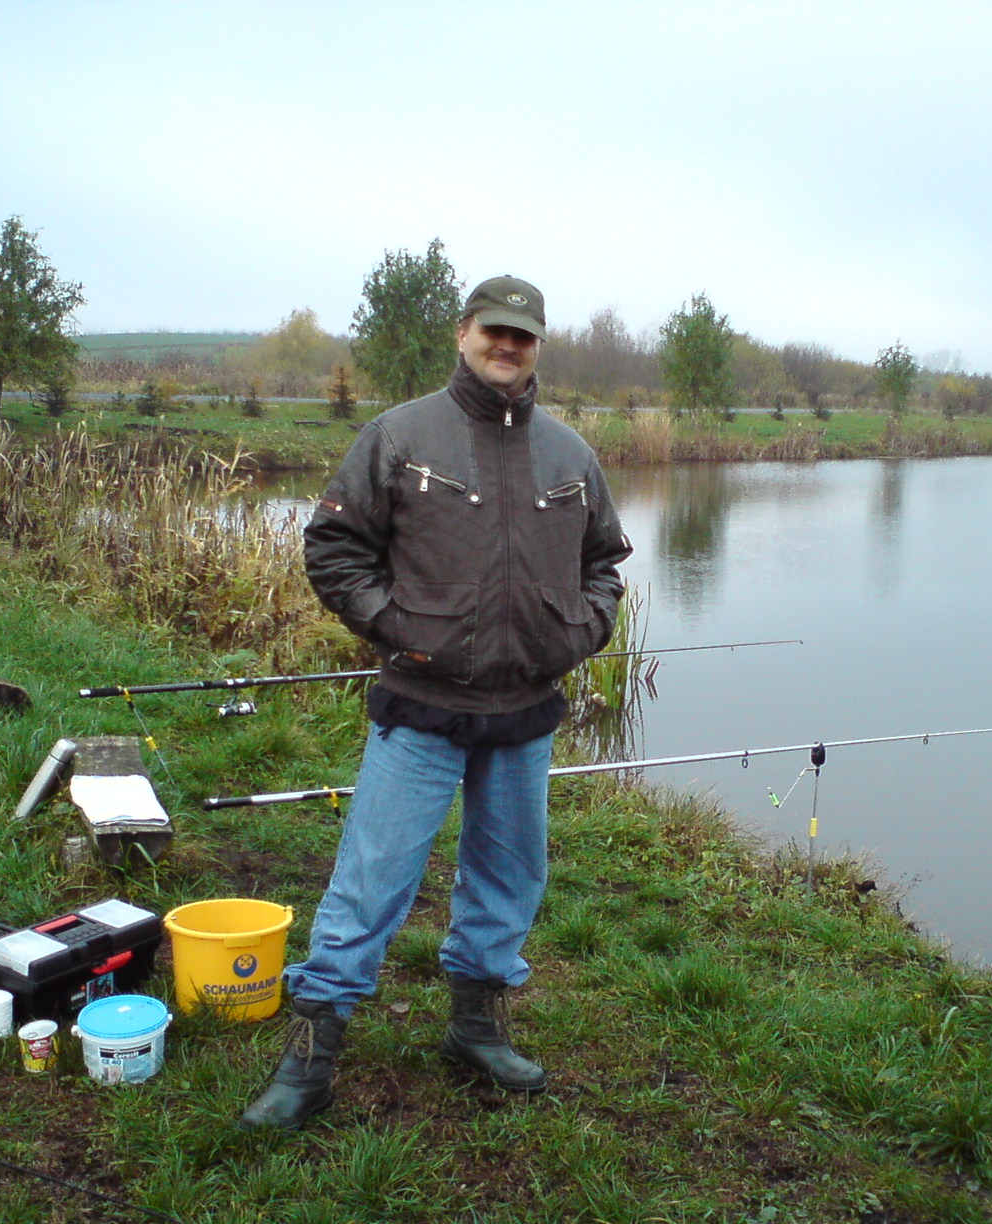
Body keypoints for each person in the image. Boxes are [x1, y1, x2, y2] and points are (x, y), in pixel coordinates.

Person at [241, 275, 632, 1132]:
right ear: (464, 333)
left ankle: (475, 1027)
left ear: (537, 345)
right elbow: (334, 547)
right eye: (494, 330)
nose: (507, 345)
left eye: (523, 334)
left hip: (523, 712)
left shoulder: (570, 455)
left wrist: (580, 630)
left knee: (510, 876)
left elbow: (605, 562)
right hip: (420, 705)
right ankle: (311, 1054)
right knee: (371, 879)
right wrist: (397, 628)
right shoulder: (400, 436)